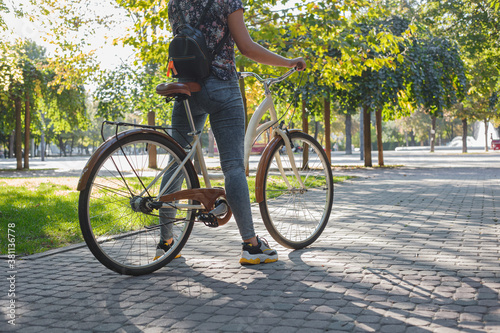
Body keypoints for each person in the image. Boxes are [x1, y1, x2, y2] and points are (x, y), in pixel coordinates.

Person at [156, 0, 306, 265]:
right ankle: (251, 245)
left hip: (187, 87)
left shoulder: (175, 3)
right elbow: (246, 47)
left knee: (176, 163)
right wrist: (287, 62)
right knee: (233, 167)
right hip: (222, 87)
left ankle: (165, 243)